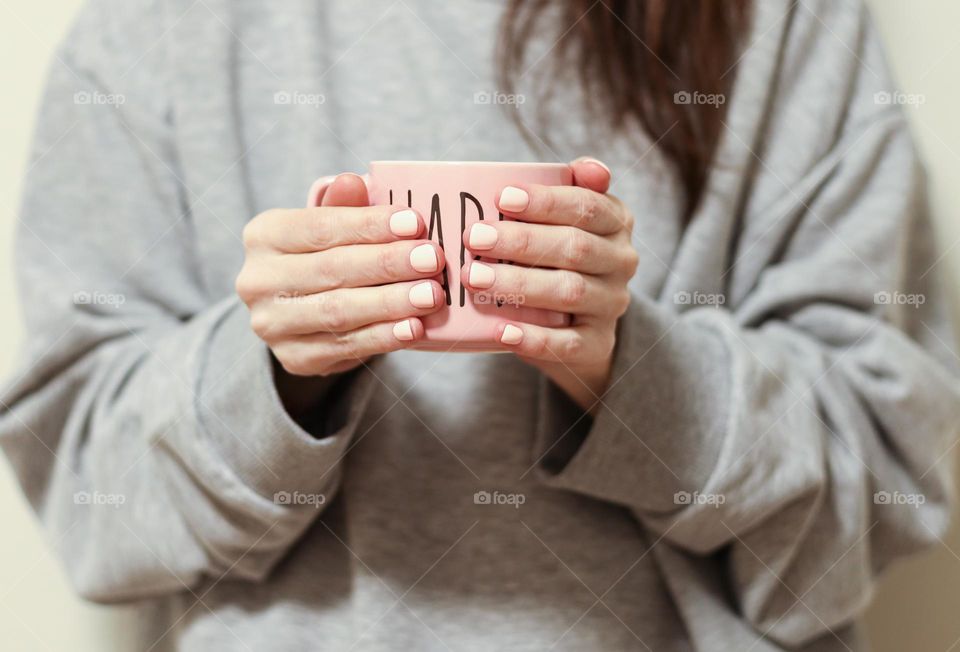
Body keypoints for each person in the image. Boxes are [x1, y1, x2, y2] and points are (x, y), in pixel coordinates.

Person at [2, 0, 958, 650]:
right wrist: (278, 378)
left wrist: (634, 375)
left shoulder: (784, 20)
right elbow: (88, 494)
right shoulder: (156, 26)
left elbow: (885, 490)